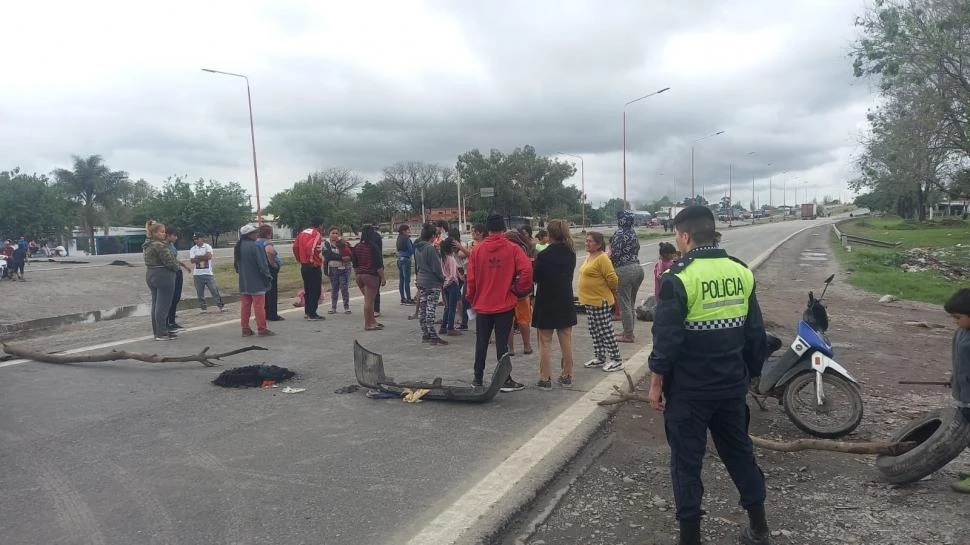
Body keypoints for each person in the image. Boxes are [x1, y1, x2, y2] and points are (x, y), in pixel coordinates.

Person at [646, 205, 769, 545]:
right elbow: (755, 335)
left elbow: (667, 340)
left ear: (684, 236)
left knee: (686, 464)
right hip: (731, 387)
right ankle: (759, 528)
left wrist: (656, 383)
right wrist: (748, 376)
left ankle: (690, 539)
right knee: (740, 453)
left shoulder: (678, 277)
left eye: (676, 235)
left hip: (689, 392)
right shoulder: (740, 271)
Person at [465, 214, 532, 392]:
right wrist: (518, 290)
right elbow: (526, 270)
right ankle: (505, 380)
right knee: (502, 343)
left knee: (481, 342)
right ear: (503, 229)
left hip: (483, 304)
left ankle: (477, 378)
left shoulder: (477, 251)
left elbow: (470, 279)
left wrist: (472, 299)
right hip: (505, 304)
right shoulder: (513, 249)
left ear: (487, 230)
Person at [531, 219, 577, 389]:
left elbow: (536, 277)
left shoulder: (544, 255)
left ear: (549, 235)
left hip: (546, 300)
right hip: (564, 299)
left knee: (544, 341)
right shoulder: (571, 253)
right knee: (566, 340)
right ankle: (567, 375)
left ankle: (545, 378)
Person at [579, 231, 623, 372]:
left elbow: (613, 279)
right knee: (594, 330)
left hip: (600, 300)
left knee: (606, 330)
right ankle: (600, 357)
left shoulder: (603, 258)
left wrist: (612, 291)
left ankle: (616, 360)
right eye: (586, 241)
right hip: (590, 300)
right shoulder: (590, 256)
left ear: (598, 244)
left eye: (590, 241)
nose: (587, 243)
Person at [942, 288, 970, 493]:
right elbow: (961, 361)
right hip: (964, 395)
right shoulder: (962, 332)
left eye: (958, 317)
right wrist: (954, 378)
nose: (955, 321)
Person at [142, 221, 179, 341]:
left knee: (156, 304)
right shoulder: (159, 245)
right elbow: (170, 262)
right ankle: (162, 332)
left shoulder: (147, 245)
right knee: (163, 306)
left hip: (151, 274)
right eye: (162, 232)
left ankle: (157, 331)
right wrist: (176, 268)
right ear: (154, 233)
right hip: (163, 275)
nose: (164, 234)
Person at [235, 223, 275, 337]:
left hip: (244, 281)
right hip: (257, 281)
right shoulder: (256, 246)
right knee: (259, 306)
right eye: (255, 233)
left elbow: (236, 266)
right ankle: (262, 329)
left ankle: (245, 329)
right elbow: (263, 265)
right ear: (249, 235)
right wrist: (268, 276)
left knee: (245, 305)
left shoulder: (238, 246)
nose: (257, 234)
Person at [610, 210, 644, 343]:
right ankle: (628, 331)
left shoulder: (619, 233)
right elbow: (638, 248)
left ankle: (628, 335)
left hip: (624, 270)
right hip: (637, 268)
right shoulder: (632, 233)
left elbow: (615, 253)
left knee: (624, 304)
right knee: (630, 303)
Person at [414, 223, 447, 344]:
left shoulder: (417, 248)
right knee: (430, 309)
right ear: (433, 236)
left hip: (422, 280)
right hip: (432, 281)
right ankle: (433, 335)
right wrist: (442, 279)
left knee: (423, 308)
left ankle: (425, 333)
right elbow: (436, 268)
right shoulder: (430, 248)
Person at [352, 224, 387, 331]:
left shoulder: (357, 247)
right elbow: (378, 265)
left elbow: (355, 264)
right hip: (371, 276)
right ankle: (368, 323)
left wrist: (357, 275)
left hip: (360, 276)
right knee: (369, 302)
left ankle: (372, 321)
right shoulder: (373, 247)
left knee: (369, 300)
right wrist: (383, 278)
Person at [505, 230, 534, 356]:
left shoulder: (504, 250)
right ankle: (527, 346)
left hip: (506, 290)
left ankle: (510, 349)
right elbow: (527, 270)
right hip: (521, 291)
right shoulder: (523, 249)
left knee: (508, 321)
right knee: (524, 319)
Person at [293, 217, 325, 321]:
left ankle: (308, 311)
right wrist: (312, 261)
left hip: (304, 265)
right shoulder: (316, 234)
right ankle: (312, 313)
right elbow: (310, 247)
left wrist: (300, 259)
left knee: (308, 289)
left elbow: (295, 247)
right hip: (312, 265)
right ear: (320, 225)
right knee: (315, 290)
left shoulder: (302, 233)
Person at [188, 234, 226, 313]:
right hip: (197, 274)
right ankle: (203, 308)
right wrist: (203, 256)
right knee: (200, 293)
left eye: (197, 239)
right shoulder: (193, 249)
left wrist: (197, 257)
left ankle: (220, 306)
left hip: (208, 273)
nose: (196, 241)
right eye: (194, 239)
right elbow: (192, 260)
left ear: (201, 239)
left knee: (214, 291)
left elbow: (209, 257)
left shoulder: (207, 246)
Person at [165, 227, 193, 331]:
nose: (176, 238)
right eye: (174, 235)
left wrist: (184, 266)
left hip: (177, 271)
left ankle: (172, 321)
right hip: (170, 273)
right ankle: (166, 322)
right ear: (168, 235)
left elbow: (174, 259)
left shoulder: (171, 245)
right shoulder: (163, 246)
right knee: (170, 298)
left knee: (176, 298)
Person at [257, 225, 284, 321]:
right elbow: (270, 252)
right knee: (272, 292)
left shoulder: (257, 242)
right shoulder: (267, 242)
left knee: (265, 292)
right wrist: (273, 264)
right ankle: (272, 314)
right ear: (268, 233)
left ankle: (264, 313)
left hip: (261, 268)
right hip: (270, 268)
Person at [324, 226, 352, 315]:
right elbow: (328, 255)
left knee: (344, 288)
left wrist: (345, 258)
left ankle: (346, 307)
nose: (335, 235)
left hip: (345, 269)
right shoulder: (326, 243)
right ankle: (333, 307)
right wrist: (342, 258)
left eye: (336, 233)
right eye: (333, 233)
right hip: (333, 269)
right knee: (334, 289)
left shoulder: (344, 242)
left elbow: (350, 254)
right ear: (329, 234)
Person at [439, 238, 462, 337]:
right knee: (452, 307)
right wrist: (454, 280)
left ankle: (443, 326)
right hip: (452, 284)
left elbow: (452, 271)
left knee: (447, 307)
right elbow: (453, 275)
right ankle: (450, 328)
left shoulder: (443, 257)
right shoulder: (451, 258)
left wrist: (445, 284)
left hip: (446, 284)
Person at [396, 224, 416, 305]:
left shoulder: (399, 238)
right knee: (407, 280)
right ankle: (408, 299)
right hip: (406, 259)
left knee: (401, 280)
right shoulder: (407, 239)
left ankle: (402, 298)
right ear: (404, 231)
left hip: (399, 260)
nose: (409, 231)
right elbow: (411, 250)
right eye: (408, 230)